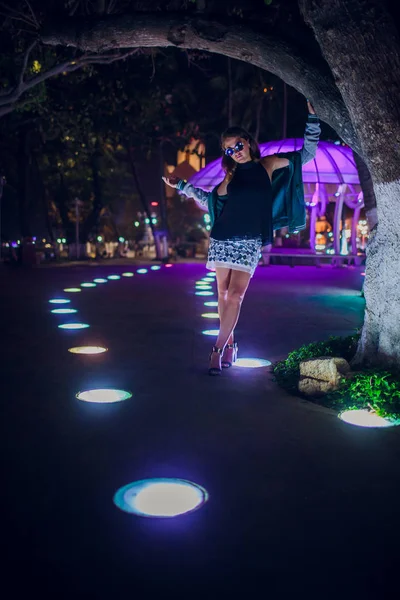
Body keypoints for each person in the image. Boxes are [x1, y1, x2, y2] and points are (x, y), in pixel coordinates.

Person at [163, 100, 320, 375]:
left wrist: (312, 119)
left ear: (247, 142)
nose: (234, 152)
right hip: (222, 238)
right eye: (228, 150)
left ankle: (217, 349)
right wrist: (182, 186)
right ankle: (231, 345)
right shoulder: (230, 175)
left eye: (238, 145)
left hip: (249, 241)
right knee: (222, 295)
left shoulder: (267, 165)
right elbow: (208, 200)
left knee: (235, 296)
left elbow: (306, 154)